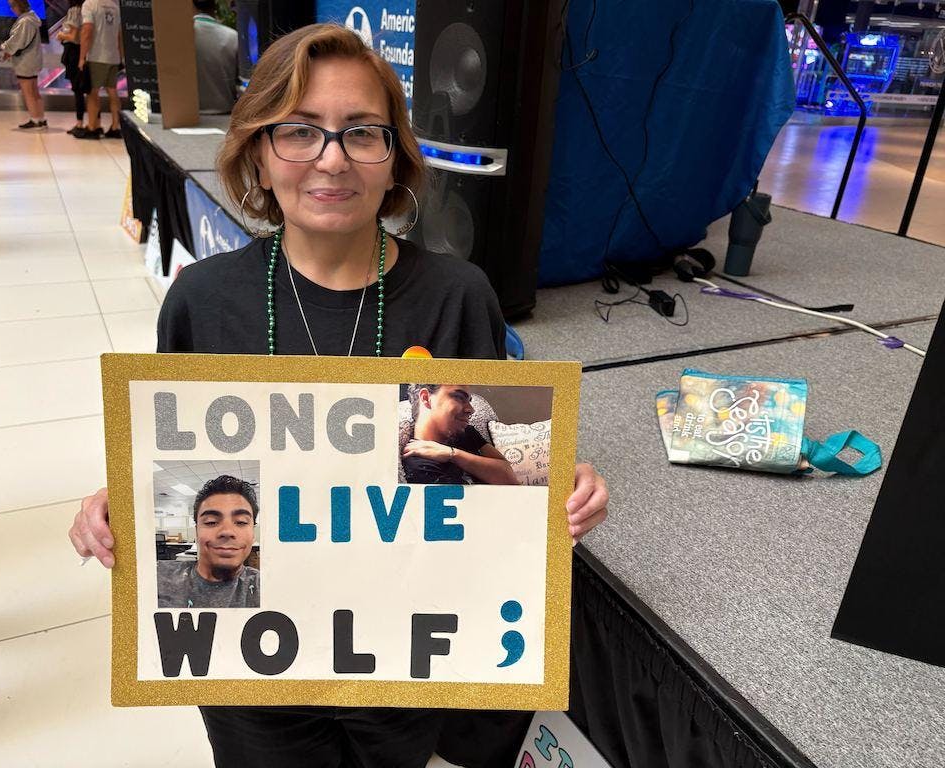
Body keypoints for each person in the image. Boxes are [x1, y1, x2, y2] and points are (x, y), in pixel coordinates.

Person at [69, 24, 610, 768]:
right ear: (259, 150)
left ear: (395, 159)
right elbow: (185, 475)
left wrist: (552, 483)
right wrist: (125, 502)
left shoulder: (459, 296)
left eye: (362, 133)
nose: (331, 158)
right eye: (299, 131)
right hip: (254, 668)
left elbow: (482, 478)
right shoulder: (203, 300)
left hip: (403, 656)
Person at [158, 475, 260, 609]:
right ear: (196, 531)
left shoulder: (267, 585)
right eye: (211, 522)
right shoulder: (157, 577)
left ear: (253, 533)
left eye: (241, 522)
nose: (227, 531)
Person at [402, 384, 519, 485]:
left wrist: (452, 454)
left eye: (469, 401)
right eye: (459, 397)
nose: (471, 409)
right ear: (426, 398)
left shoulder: (464, 432)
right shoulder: (419, 467)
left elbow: (509, 477)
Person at [77, 0, 122, 140]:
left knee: (92, 92)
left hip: (96, 56)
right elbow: (120, 35)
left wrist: (82, 56)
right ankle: (115, 127)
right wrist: (120, 56)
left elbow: (87, 31)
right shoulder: (115, 6)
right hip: (113, 56)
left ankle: (92, 128)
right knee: (113, 92)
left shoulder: (90, 5)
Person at [1, 0, 45, 130]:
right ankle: (40, 118)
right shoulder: (33, 19)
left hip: (25, 61)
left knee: (28, 92)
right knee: (35, 91)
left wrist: (5, 48)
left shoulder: (24, 22)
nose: (11, 9)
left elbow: (16, 41)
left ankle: (35, 120)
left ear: (17, 6)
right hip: (33, 59)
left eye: (12, 6)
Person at [193, 0, 238, 115]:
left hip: (188, 115)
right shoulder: (232, 36)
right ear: (216, 6)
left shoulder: (180, 35)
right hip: (225, 112)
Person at [56, 0, 88, 135]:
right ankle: (89, 122)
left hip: (74, 52)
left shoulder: (74, 11)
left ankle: (80, 123)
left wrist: (61, 35)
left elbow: (74, 37)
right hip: (84, 51)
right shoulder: (87, 10)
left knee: (78, 89)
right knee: (86, 89)